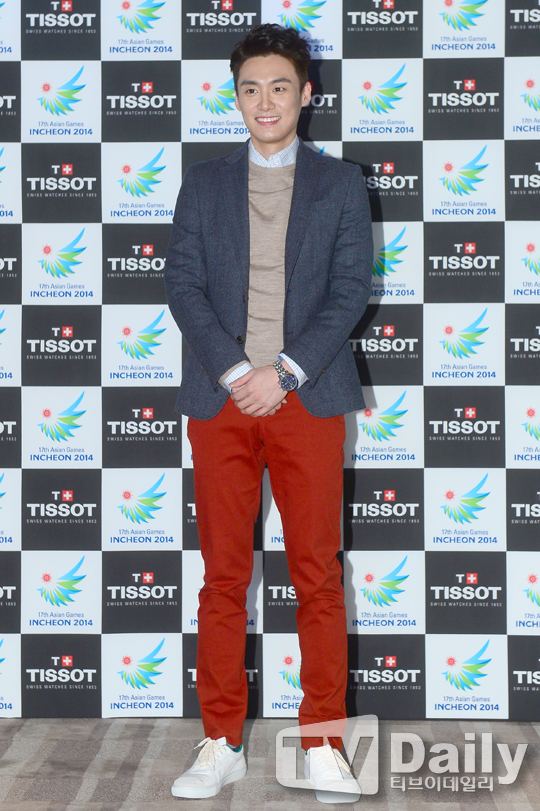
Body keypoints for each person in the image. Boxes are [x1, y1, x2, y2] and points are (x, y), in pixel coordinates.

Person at [164, 23, 373, 803]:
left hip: (306, 400)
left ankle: (322, 740)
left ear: (305, 94)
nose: (264, 101)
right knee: (224, 576)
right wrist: (235, 372)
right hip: (220, 400)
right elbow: (182, 284)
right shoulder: (203, 182)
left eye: (279, 86)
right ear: (236, 96)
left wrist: (281, 372)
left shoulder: (341, 183)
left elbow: (351, 290)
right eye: (249, 87)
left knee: (316, 574)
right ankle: (220, 740)